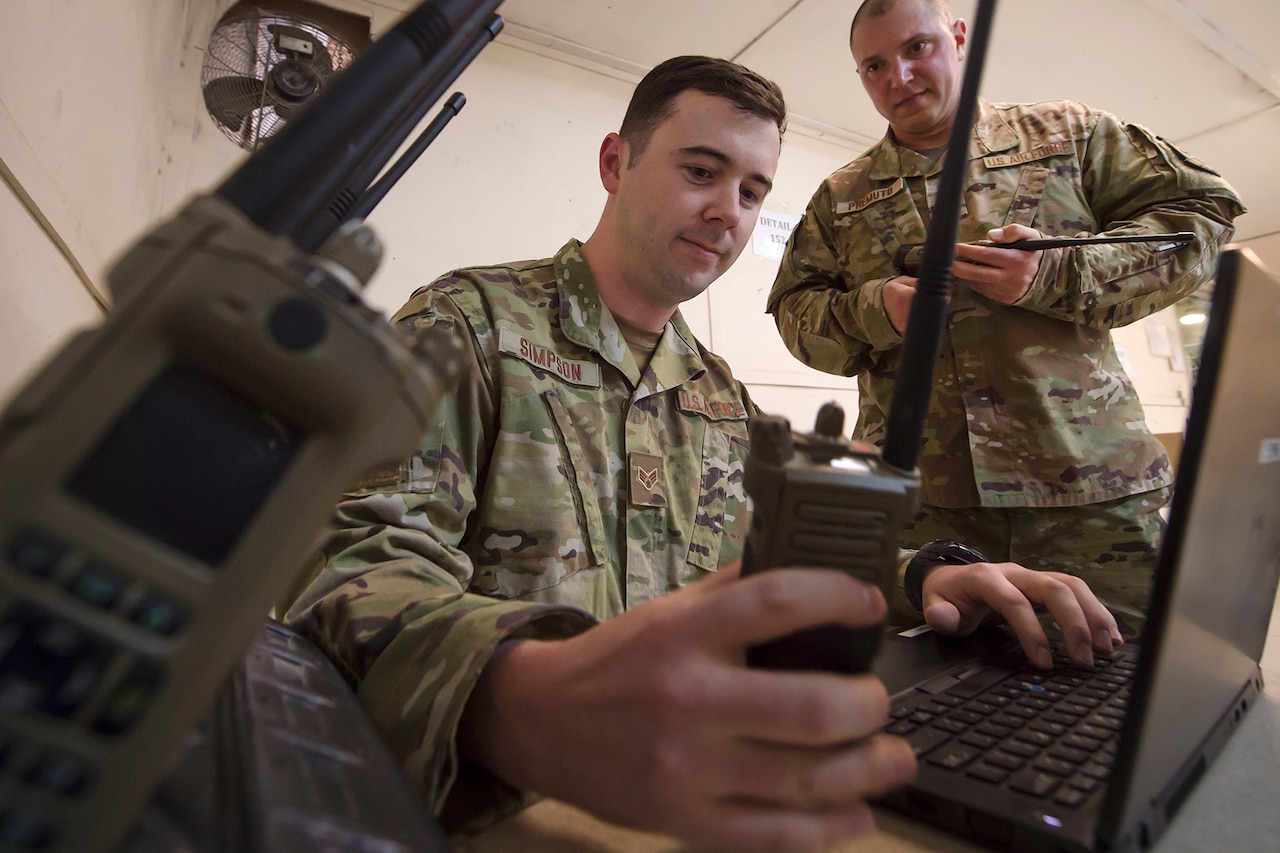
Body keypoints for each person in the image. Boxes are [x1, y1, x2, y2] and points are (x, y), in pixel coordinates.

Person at [284, 55, 1123, 853]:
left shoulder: (719, 394)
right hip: (498, 809)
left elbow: (781, 558)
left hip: (690, 809)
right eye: (701, 171)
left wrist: (926, 575)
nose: (731, 210)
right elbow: (345, 570)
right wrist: (513, 698)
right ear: (616, 162)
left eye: (753, 189)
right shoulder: (469, 325)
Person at [767, 0, 1245, 618]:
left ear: (958, 37)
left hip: (1091, 494)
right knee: (942, 698)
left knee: (1131, 686)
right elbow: (793, 311)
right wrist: (874, 311)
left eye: (917, 49)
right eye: (875, 65)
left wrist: (1055, 273)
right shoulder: (841, 197)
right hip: (926, 509)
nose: (900, 78)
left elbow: (1201, 215)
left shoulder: (1068, 135)